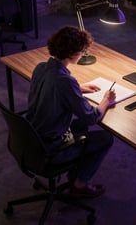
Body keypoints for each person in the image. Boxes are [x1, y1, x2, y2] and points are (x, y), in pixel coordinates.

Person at [26, 26, 116, 198]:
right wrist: (106, 100)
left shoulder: (40, 68)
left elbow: (51, 89)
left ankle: (75, 174)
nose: (83, 54)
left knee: (79, 124)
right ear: (73, 53)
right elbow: (92, 117)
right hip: (52, 148)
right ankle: (79, 183)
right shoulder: (65, 82)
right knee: (105, 138)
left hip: (33, 138)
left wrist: (79, 88)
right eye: (82, 51)